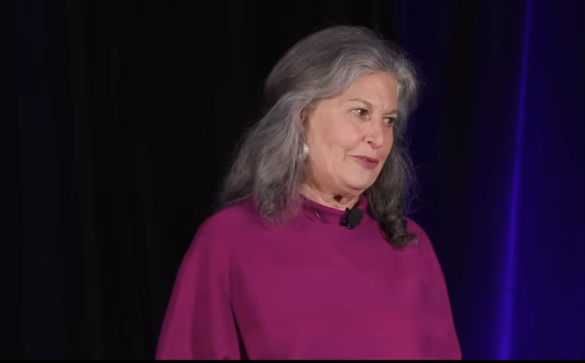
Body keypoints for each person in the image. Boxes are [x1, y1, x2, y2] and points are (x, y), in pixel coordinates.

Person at [155, 25, 461, 360]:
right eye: (361, 112)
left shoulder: (409, 245)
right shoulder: (228, 241)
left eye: (388, 120)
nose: (379, 137)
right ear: (302, 118)